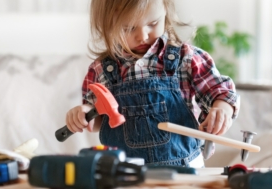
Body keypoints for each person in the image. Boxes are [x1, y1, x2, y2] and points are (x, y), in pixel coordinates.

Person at [65, 0, 240, 168]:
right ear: (107, 25)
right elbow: (98, 122)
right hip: (124, 172)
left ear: (165, 10)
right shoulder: (100, 70)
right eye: (128, 28)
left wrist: (222, 110)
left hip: (186, 167)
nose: (142, 35)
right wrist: (85, 115)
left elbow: (221, 92)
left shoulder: (185, 58)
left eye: (153, 23)